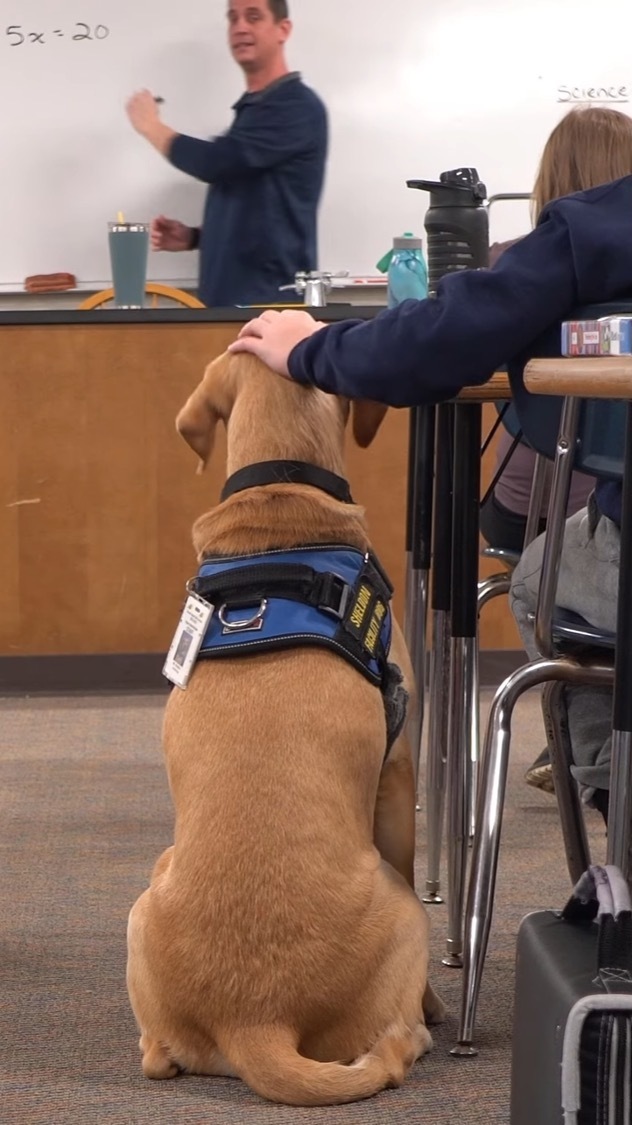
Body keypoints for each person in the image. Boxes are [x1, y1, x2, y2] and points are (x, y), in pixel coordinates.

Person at [228, 106, 632, 826]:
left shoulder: (588, 230)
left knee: (542, 571)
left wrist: (308, 348)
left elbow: (433, 344)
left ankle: (612, 815)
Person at [125, 0, 327, 308]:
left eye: (254, 16)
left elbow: (217, 162)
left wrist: (152, 127)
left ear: (282, 29)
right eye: (233, 18)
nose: (240, 27)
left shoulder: (295, 106)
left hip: (268, 307)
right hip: (234, 306)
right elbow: (260, 209)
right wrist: (195, 237)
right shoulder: (255, 109)